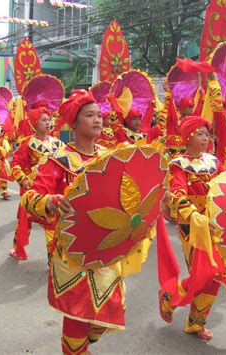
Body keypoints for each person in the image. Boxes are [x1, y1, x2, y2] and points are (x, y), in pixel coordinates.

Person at [22, 90, 139, 354]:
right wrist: (50, 201)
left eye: (99, 115)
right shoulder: (57, 161)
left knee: (106, 313)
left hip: (106, 249)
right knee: (76, 314)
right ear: (73, 123)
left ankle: (82, 344)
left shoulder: (111, 157)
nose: (97, 120)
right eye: (89, 115)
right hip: (71, 254)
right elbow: (30, 197)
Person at [158, 116, 226, 341]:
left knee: (216, 275)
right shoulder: (179, 165)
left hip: (215, 226)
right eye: (200, 134)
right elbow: (177, 194)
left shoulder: (213, 162)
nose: (206, 138)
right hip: (193, 227)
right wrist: (194, 215)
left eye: (207, 134)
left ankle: (196, 323)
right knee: (205, 272)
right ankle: (170, 296)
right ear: (188, 137)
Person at [9, 107, 64, 260]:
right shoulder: (27, 144)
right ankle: (17, 248)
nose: (48, 122)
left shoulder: (58, 144)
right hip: (33, 188)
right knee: (24, 221)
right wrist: (23, 179)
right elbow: (15, 163)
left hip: (51, 188)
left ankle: (52, 258)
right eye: (44, 120)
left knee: (51, 224)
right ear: (34, 123)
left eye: (49, 119)